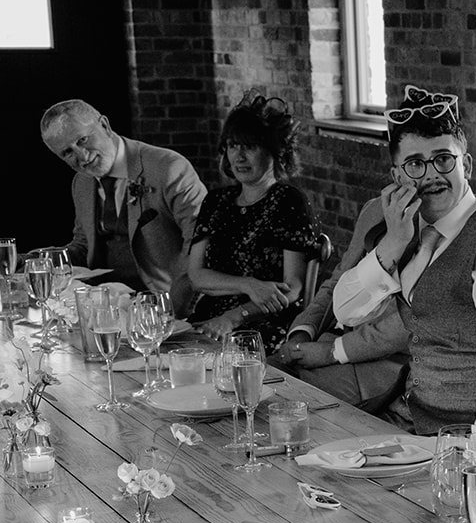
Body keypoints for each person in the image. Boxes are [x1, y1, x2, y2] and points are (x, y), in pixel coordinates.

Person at [332, 86, 476, 457]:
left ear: (466, 166)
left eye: (443, 159)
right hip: (409, 419)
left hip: (466, 437)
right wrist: (392, 244)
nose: (431, 175)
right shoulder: (405, 232)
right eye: (415, 164)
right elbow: (346, 310)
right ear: (397, 175)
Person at [40, 99, 207, 310]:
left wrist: (174, 303)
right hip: (101, 306)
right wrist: (33, 262)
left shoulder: (169, 167)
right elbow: (83, 247)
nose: (81, 156)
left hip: (164, 302)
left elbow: (200, 240)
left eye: (82, 140)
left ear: (104, 125)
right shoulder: (81, 183)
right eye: (67, 153)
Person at [186, 94, 321, 351]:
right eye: (233, 146)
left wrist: (236, 316)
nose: (239, 157)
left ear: (274, 151)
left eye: (250, 146)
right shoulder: (216, 201)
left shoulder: (289, 201)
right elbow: (196, 276)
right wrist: (248, 284)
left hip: (262, 323)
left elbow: (293, 288)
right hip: (210, 319)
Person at [274, 196, 409, 420]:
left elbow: (412, 324)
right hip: (321, 343)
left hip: (377, 367)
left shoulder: (441, 223)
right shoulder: (374, 208)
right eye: (409, 164)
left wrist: (332, 353)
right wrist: (301, 332)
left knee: (282, 409)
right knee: (255, 379)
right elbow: (338, 279)